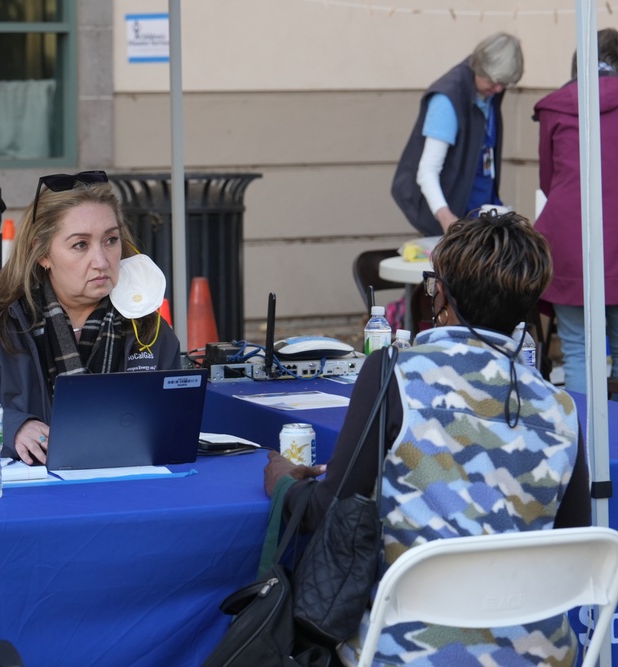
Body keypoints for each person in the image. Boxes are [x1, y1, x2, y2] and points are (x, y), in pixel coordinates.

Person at [264, 212, 590, 665]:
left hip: (404, 652)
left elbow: (325, 510)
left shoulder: (393, 373)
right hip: (537, 655)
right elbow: (570, 548)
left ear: (444, 295)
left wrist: (283, 482)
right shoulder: (563, 410)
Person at [0, 170, 181, 465]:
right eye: (80, 245)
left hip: (125, 493)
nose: (101, 261)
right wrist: (13, 428)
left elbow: (173, 422)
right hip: (28, 500)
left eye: (110, 240)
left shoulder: (148, 329)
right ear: (43, 253)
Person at [534, 28, 618, 395]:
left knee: (579, 349)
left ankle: (585, 441)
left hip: (569, 239)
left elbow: (549, 181)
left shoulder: (556, 105)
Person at [392, 33, 524, 236]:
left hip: (479, 208)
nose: (498, 89)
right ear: (479, 67)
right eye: (493, 81)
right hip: (452, 215)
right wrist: (446, 218)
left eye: (504, 83)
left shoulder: (490, 90)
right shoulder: (447, 99)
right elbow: (427, 171)